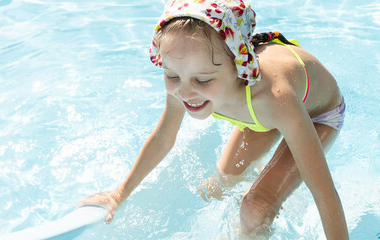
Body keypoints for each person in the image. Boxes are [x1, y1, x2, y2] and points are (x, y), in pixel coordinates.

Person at [78, 0, 348, 238]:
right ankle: (277, 180)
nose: (184, 92)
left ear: (239, 66)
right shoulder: (187, 77)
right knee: (215, 189)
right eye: (171, 75)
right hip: (257, 115)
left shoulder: (274, 98)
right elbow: (163, 139)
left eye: (203, 80)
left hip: (317, 115)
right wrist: (118, 194)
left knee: (254, 208)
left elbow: (324, 193)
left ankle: (273, 194)